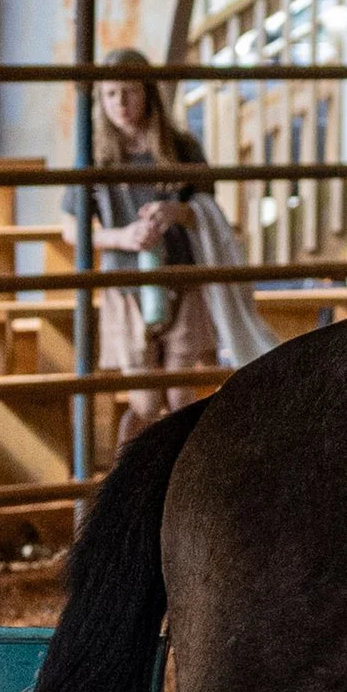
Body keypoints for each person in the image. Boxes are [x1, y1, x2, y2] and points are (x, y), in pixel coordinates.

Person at [65, 49, 240, 445]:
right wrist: (120, 237)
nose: (120, 105)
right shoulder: (93, 156)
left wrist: (176, 212)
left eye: (129, 92)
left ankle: (183, 484)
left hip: (182, 282)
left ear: (148, 93)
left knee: (181, 395)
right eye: (110, 95)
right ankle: (127, 480)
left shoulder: (182, 148)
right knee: (144, 402)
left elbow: (209, 213)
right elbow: (71, 229)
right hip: (126, 290)